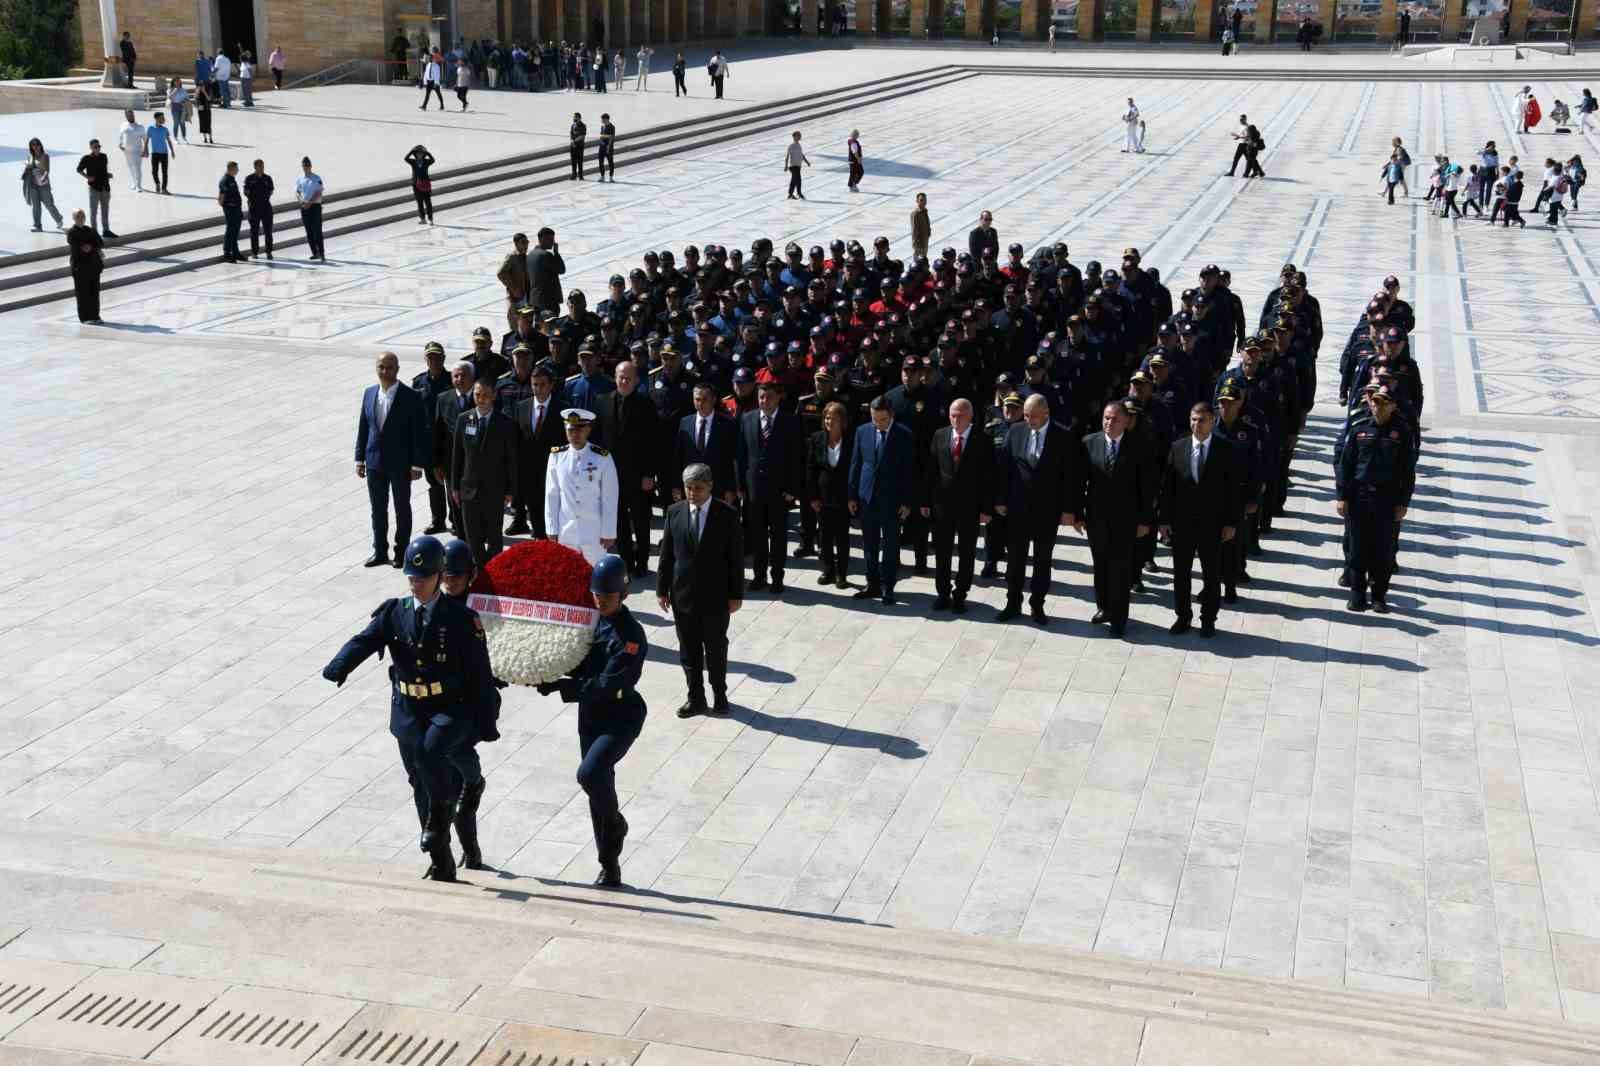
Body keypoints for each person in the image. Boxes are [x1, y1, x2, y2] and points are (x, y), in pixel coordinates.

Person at [322, 535, 499, 882]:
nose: (415, 584)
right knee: (420, 781)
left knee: (431, 757)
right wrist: (340, 664)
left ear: (438, 576)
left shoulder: (462, 619)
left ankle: (442, 818)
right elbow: (366, 639)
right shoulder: (395, 612)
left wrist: (487, 720)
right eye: (411, 578)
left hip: (446, 709)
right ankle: (440, 859)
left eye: (422, 578)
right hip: (408, 710)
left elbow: (480, 674)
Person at [537, 555, 645, 887]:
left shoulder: (631, 636)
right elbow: (575, 658)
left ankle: (615, 824)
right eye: (596, 595)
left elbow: (607, 684)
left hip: (620, 715)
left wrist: (563, 687)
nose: (600, 601)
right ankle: (609, 864)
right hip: (591, 715)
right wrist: (547, 673)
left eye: (607, 597)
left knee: (590, 774)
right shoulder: (591, 622)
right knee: (599, 787)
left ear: (623, 595)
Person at [658, 464, 743, 719]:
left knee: (716, 649)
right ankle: (695, 697)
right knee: (689, 651)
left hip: (715, 598)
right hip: (683, 596)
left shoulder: (726, 515)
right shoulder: (674, 512)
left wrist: (736, 594)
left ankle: (720, 695)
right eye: (688, 488)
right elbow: (666, 556)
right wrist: (662, 590)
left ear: (709, 487)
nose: (692, 493)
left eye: (698, 488)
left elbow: (735, 559)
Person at [1158, 403, 1240, 637]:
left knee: (1211, 575)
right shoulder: (1178, 447)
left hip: (1212, 524)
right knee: (1181, 574)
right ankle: (1183, 616)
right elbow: (1168, 488)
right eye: (1193, 419)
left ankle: (1208, 619)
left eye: (1201, 420)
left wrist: (1231, 523)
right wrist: (1164, 520)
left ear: (1213, 421)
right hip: (1182, 524)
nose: (1196, 424)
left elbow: (1233, 490)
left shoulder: (1226, 449)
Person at [995, 395, 1076, 625]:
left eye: (1033, 416)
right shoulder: (1016, 431)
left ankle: (1037, 605)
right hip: (1018, 508)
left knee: (1042, 560)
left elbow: (1070, 476)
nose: (1028, 420)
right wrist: (1001, 499)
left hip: (1047, 510)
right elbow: (1006, 467)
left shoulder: (1062, 436)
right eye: (1026, 415)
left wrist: (1069, 510)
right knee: (1015, 560)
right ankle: (1012, 603)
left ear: (1046, 414)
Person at [1078, 400, 1155, 638]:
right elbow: (1079, 481)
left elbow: (1147, 487)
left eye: (1114, 419)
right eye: (1106, 418)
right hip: (1096, 518)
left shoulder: (1140, 446)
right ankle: (1104, 608)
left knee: (1120, 569)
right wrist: (1077, 513)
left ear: (1126, 421)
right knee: (1100, 565)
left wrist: (1145, 520)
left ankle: (1120, 619)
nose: (1109, 423)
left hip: (1126, 519)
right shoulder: (1089, 443)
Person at [1336, 389, 1415, 613]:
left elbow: (1407, 471)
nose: (1377, 407)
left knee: (1384, 550)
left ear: (1393, 406)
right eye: (1375, 402)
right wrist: (1342, 496)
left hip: (1387, 500)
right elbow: (1346, 465)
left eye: (1383, 403)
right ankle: (1357, 595)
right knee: (1357, 548)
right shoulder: (1359, 428)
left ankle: (1379, 596)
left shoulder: (1402, 432)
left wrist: (1403, 502)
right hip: (1359, 498)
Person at [923, 398, 994, 614]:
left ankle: (960, 594)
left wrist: (986, 509)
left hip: (969, 507)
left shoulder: (983, 439)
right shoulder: (940, 435)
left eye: (960, 415)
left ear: (970, 416)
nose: (956, 419)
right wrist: (925, 501)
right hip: (942, 507)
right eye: (953, 415)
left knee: (967, 553)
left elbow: (989, 477)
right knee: (942, 552)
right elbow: (931, 470)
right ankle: (942, 593)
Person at [736, 382, 804, 594]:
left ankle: (777, 577)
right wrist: (740, 486)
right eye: (761, 397)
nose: (765, 401)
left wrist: (792, 489)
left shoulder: (790, 421)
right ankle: (759, 576)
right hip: (753, 490)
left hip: (779, 492)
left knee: (778, 537)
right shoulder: (747, 419)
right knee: (757, 536)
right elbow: (740, 456)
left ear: (778, 398)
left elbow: (797, 459)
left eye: (769, 397)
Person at [593, 360, 659, 577]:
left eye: (628, 378)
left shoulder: (646, 404)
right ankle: (627, 561)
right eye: (620, 377)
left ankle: (642, 562)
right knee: (618, 521)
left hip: (639, 475)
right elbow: (597, 439)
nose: (624, 381)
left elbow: (653, 442)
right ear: (615, 377)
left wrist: (650, 474)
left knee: (640, 521)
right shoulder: (602, 401)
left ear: (636, 381)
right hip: (611, 475)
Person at [848, 395, 916, 605]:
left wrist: (907, 501)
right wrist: (852, 495)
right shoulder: (862, 431)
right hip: (867, 497)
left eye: (883, 420)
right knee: (869, 544)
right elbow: (856, 464)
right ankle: (872, 584)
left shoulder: (904, 435)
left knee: (890, 546)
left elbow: (909, 471)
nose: (879, 424)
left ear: (891, 415)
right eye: (875, 419)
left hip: (893, 500)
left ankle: (888, 586)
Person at [452, 377, 519, 566]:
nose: (481, 399)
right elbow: (457, 456)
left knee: (494, 536)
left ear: (494, 396)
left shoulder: (504, 422)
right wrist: (455, 487)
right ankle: (480, 570)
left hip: (494, 489)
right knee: (472, 536)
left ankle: (494, 568)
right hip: (468, 489)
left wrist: (510, 490)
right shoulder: (464, 419)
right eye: (477, 395)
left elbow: (511, 460)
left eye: (485, 396)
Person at [545, 408, 619, 563]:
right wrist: (552, 528)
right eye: (571, 430)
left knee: (593, 577)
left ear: (589, 429)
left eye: (580, 430)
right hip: (566, 530)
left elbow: (609, 497)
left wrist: (609, 530)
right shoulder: (557, 456)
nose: (575, 434)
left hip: (593, 532)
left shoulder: (602, 457)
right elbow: (552, 495)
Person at [807, 401, 855, 587]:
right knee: (824, 536)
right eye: (827, 417)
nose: (829, 421)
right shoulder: (817, 439)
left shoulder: (851, 440)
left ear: (842, 421)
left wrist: (853, 497)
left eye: (834, 418)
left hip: (843, 497)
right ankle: (828, 571)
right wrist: (813, 497)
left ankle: (842, 574)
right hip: (823, 496)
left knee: (842, 536)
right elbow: (811, 469)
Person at [65, 210, 104, 324]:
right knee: (82, 292)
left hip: (93, 266)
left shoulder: (90, 230)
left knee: (94, 291)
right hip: (80, 267)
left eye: (82, 216)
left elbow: (100, 242)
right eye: (78, 216)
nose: (81, 218)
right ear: (74, 218)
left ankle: (95, 315)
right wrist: (89, 245)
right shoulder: (72, 232)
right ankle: (85, 317)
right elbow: (80, 247)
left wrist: (90, 245)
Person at [76, 138, 115, 238]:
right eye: (95, 147)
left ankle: (106, 230)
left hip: (105, 188)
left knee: (105, 210)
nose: (97, 148)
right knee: (93, 211)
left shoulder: (104, 156)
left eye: (99, 146)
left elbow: (103, 170)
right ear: (91, 148)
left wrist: (108, 175)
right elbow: (79, 169)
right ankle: (94, 233)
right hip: (94, 189)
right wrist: (87, 177)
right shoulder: (86, 158)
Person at [22, 139, 63, 232]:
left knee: (49, 204)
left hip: (43, 184)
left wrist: (44, 177)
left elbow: (47, 170)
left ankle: (59, 220)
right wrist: (27, 167)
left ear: (40, 145)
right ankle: (37, 225)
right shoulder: (30, 157)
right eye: (33, 145)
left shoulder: (45, 156)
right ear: (31, 147)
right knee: (36, 206)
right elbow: (27, 169)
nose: (35, 147)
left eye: (37, 144)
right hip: (33, 184)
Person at [239, 159, 274, 259]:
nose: (261, 168)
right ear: (255, 167)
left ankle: (269, 251)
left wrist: (264, 197)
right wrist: (253, 198)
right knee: (254, 231)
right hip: (254, 208)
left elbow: (271, 190)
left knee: (268, 231)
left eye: (262, 166)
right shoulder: (249, 178)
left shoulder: (267, 178)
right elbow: (246, 191)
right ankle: (254, 252)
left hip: (266, 207)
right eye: (259, 166)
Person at [529, 227, 566, 313]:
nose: (553, 242)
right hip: (548, 301)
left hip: (535, 300)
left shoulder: (530, 255)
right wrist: (556, 253)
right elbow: (561, 269)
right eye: (550, 239)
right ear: (542, 239)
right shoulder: (545, 255)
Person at [296, 156, 325, 261]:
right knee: (308, 231)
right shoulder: (300, 179)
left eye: (308, 165)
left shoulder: (316, 178)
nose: (306, 167)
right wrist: (302, 201)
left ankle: (321, 253)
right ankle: (314, 252)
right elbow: (297, 192)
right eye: (304, 165)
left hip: (315, 206)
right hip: (304, 207)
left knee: (317, 230)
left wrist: (310, 202)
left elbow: (319, 192)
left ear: (311, 166)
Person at [217, 160, 244, 263]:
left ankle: (235, 252)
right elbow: (221, 196)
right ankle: (227, 253)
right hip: (230, 209)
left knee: (235, 231)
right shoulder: (225, 180)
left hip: (236, 209)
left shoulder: (232, 179)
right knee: (230, 231)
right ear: (230, 169)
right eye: (236, 169)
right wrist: (227, 206)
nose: (237, 171)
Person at [116, 110, 146, 194]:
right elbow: (121, 136)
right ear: (126, 116)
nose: (131, 116)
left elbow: (145, 138)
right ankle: (134, 182)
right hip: (126, 150)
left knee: (137, 168)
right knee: (131, 167)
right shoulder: (123, 125)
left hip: (137, 150)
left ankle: (139, 186)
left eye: (132, 115)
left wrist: (146, 150)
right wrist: (120, 144)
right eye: (129, 115)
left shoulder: (140, 126)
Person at [405, 144, 436, 224]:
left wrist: (427, 152)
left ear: (424, 154)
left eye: (421, 153)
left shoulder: (426, 161)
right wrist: (412, 151)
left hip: (425, 184)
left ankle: (430, 219)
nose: (419, 155)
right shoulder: (413, 162)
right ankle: (423, 219)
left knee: (428, 202)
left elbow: (433, 160)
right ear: (415, 154)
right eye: (418, 153)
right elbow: (406, 158)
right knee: (420, 203)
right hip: (416, 185)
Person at [145, 112, 174, 195]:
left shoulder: (165, 129)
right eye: (162, 118)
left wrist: (172, 151)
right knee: (154, 171)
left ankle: (164, 188)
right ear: (157, 118)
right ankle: (157, 183)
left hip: (164, 153)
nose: (164, 119)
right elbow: (147, 140)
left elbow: (168, 140)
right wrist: (145, 150)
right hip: (155, 153)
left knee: (165, 172)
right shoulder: (150, 128)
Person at [784, 131, 811, 200]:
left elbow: (801, 155)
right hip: (793, 166)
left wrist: (807, 162)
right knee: (798, 179)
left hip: (798, 166)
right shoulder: (791, 146)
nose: (799, 137)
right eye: (798, 136)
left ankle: (790, 194)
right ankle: (799, 193)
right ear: (794, 137)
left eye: (800, 136)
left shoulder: (799, 145)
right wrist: (786, 166)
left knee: (794, 180)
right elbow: (787, 156)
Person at [167, 78, 190, 143]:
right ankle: (175, 138)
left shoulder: (183, 90)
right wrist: (175, 90)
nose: (177, 83)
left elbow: (187, 98)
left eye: (179, 82)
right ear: (173, 82)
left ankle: (184, 137)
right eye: (176, 81)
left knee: (182, 123)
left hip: (182, 107)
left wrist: (184, 101)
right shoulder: (170, 89)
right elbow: (169, 97)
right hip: (174, 107)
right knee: (176, 123)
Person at [910, 192, 931, 260]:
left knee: (924, 258)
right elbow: (914, 229)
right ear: (917, 201)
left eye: (925, 200)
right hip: (919, 241)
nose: (924, 202)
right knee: (918, 260)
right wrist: (915, 242)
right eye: (921, 200)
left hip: (925, 239)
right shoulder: (915, 213)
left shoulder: (924, 211)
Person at [596, 113, 616, 182]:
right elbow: (601, 136)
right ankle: (602, 176)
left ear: (606, 119)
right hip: (602, 147)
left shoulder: (611, 127)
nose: (602, 120)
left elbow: (611, 137)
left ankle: (611, 177)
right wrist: (601, 141)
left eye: (603, 119)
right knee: (600, 162)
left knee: (610, 162)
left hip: (608, 147)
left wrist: (608, 147)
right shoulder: (602, 127)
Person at [569, 112, 587, 180]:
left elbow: (582, 136)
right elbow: (571, 134)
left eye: (576, 117)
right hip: (573, 146)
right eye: (574, 117)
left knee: (579, 161)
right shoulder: (573, 125)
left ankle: (580, 175)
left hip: (579, 145)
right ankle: (574, 174)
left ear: (579, 118)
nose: (574, 118)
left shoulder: (583, 125)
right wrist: (571, 141)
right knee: (573, 160)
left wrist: (574, 141)